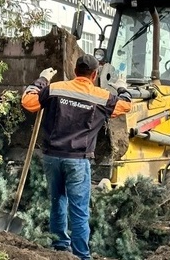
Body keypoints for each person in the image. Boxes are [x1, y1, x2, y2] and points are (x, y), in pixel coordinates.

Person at [21, 54, 132, 260]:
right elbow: (125, 106)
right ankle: (82, 256)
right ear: (94, 74)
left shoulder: (55, 89)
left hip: (52, 157)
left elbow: (29, 102)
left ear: (75, 71)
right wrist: (121, 87)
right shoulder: (101, 96)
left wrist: (42, 79)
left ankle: (60, 249)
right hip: (78, 160)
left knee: (57, 202)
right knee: (79, 210)